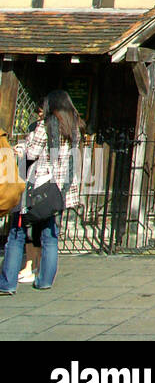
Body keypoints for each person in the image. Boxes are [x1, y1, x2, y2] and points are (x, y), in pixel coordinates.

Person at [0, 90, 82, 294]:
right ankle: (45, 280)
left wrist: (20, 149)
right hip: (58, 191)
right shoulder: (74, 128)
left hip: (36, 189)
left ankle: (8, 283)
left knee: (16, 233)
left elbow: (31, 154)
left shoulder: (45, 126)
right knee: (50, 236)